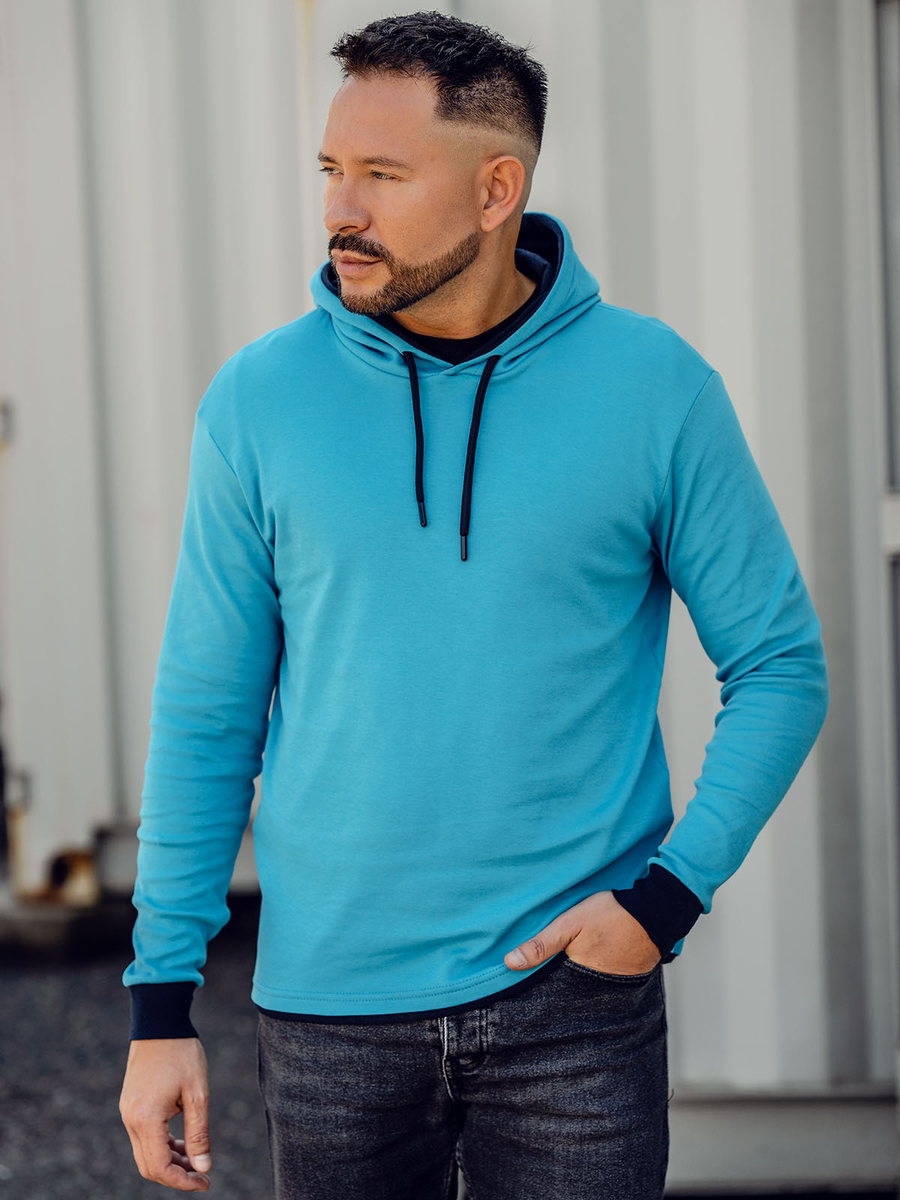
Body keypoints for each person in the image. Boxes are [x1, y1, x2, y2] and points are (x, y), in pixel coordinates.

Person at [118, 10, 830, 1199]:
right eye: (331, 168)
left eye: (383, 175)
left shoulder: (654, 388)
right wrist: (159, 1005)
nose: (340, 207)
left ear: (497, 189)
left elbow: (780, 666)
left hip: (574, 1006)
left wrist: (665, 900)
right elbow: (207, 712)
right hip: (330, 1013)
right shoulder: (260, 400)